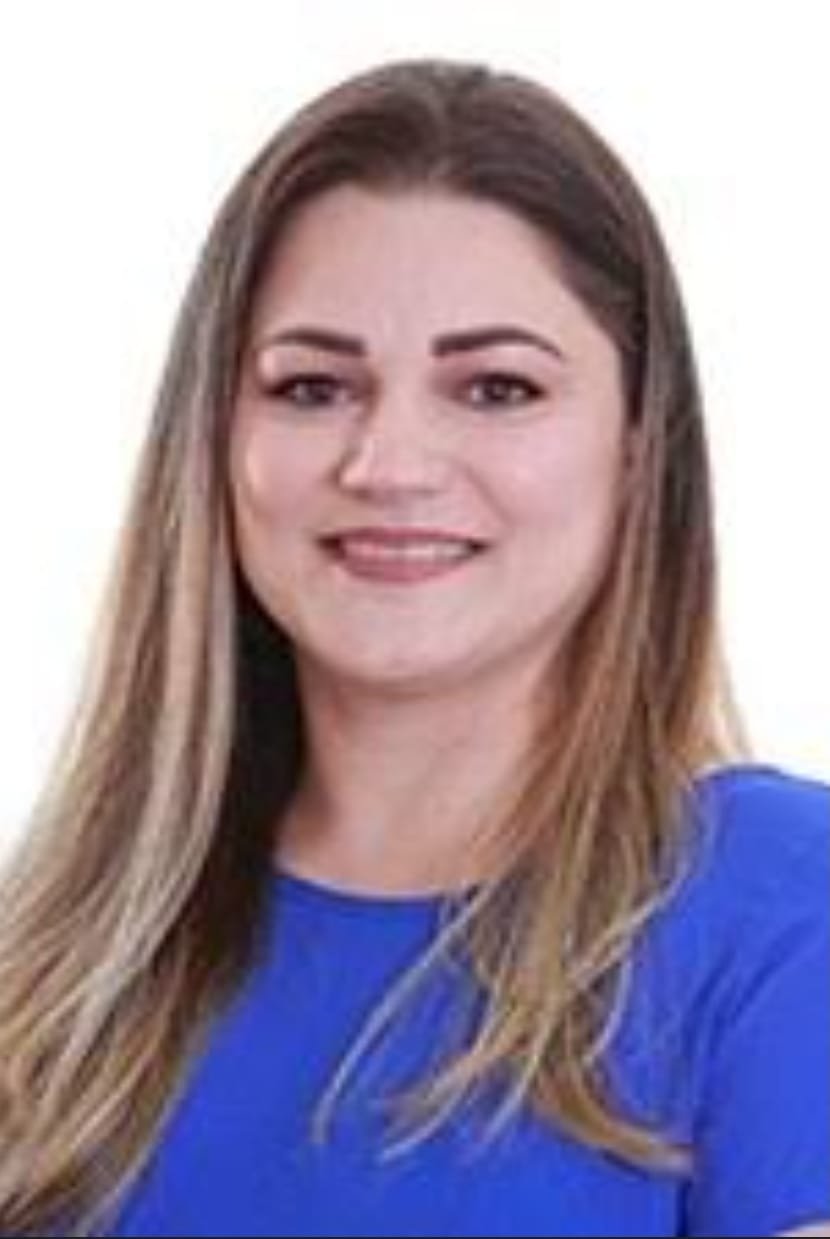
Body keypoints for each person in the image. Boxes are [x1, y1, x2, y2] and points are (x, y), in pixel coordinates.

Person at [0, 57, 827, 1239]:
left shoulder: (779, 912)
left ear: (639, 447)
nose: (387, 464)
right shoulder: (52, 976)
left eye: (494, 389)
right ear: (213, 438)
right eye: (312, 387)